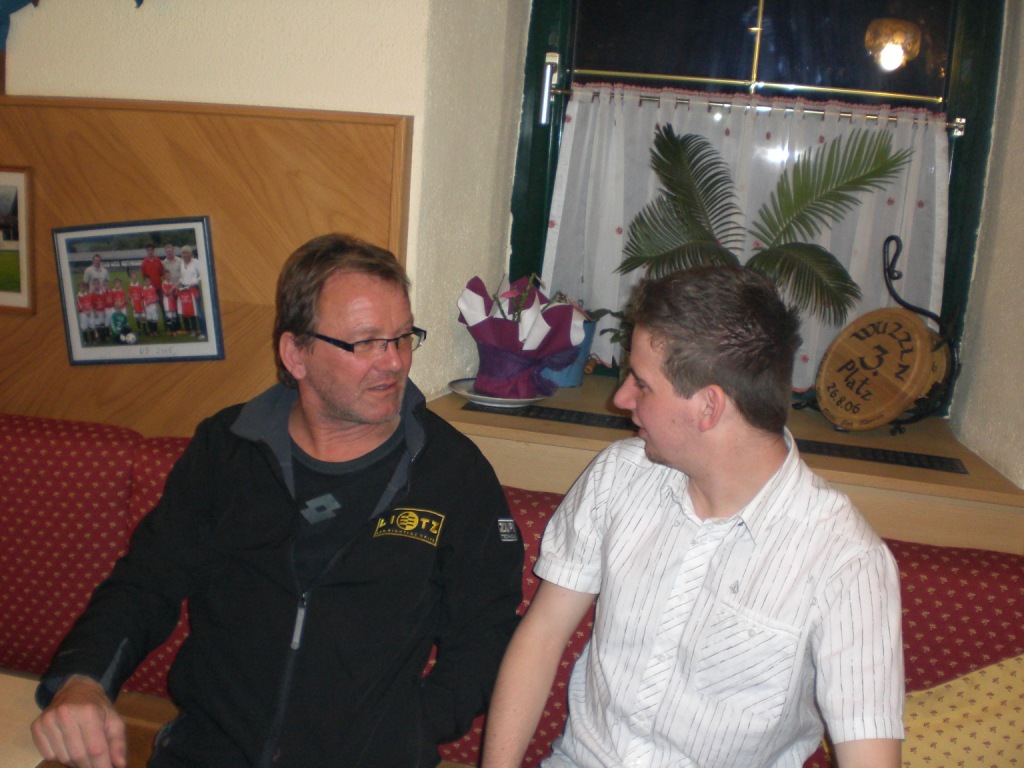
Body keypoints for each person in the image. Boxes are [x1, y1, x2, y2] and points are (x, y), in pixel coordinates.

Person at [31, 233, 524, 768]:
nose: (393, 362)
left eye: (403, 337)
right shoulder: (228, 448)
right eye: (365, 342)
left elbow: (488, 631)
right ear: (296, 354)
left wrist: (412, 728)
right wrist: (83, 680)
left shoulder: (452, 474)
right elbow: (147, 581)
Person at [482, 266, 904, 768]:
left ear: (709, 406)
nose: (621, 399)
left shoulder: (846, 561)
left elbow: (869, 755)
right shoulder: (619, 475)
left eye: (642, 384)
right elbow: (543, 633)